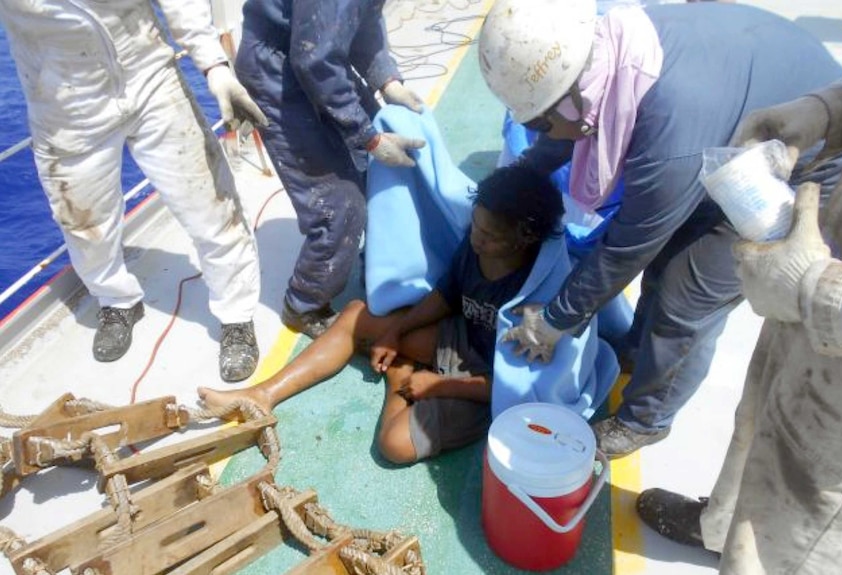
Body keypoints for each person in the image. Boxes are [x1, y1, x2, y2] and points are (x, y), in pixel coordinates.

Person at [477, 0, 842, 457]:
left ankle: (646, 419)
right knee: (668, 256)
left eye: (539, 120)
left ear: (578, 99)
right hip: (734, 122)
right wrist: (518, 179)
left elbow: (626, 249)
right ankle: (637, 347)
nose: (538, 130)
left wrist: (555, 321)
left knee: (686, 296)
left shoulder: (667, 136)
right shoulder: (610, 54)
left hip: (810, 159)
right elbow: (564, 133)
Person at [636, 69, 842, 575]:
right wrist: (834, 108)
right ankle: (718, 526)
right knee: (758, 422)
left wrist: (816, 288)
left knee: (800, 530)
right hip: (824, 274)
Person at [198, 165, 565, 463]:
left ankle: (399, 376)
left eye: (490, 235)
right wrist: (396, 331)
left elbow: (517, 387)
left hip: (488, 384)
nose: (477, 239)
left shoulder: (538, 299)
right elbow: (446, 295)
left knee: (395, 445)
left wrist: (439, 385)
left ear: (524, 238)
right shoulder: (476, 244)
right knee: (358, 315)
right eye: (477, 225)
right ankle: (262, 395)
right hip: (461, 339)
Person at [0, 1, 268, 382]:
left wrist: (215, 66)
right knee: (84, 225)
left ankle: (237, 315)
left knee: (213, 206)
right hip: (64, 106)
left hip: (150, 78)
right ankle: (116, 300)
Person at [233, 0, 427, 339]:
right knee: (340, 205)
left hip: (314, 49)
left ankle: (379, 264)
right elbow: (315, 60)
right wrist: (368, 137)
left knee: (374, 174)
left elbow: (363, 18)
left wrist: (387, 79)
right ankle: (304, 304)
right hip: (275, 71)